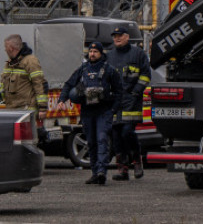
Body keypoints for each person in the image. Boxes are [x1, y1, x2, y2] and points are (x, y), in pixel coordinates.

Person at [57, 41, 123, 185]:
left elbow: (119, 91)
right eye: (91, 52)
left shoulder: (109, 70)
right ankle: (95, 172)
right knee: (91, 142)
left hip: (104, 111)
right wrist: (62, 99)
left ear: (101, 53)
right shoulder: (83, 69)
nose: (92, 54)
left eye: (95, 52)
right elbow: (69, 84)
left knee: (102, 140)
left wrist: (113, 109)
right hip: (87, 111)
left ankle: (101, 172)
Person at [106, 26, 152, 181]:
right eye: (114, 36)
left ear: (127, 37)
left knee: (127, 132)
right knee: (116, 136)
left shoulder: (138, 54)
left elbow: (146, 75)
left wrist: (136, 91)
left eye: (119, 35)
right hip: (114, 103)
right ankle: (122, 169)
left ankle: (137, 161)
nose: (116, 38)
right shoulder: (110, 56)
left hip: (131, 102)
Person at [1, 33, 49, 113]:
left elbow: (39, 84)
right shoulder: (9, 63)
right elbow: (3, 83)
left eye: (6, 47)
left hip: (27, 110)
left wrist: (42, 108)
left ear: (11, 48)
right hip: (12, 109)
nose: (5, 50)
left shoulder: (30, 61)